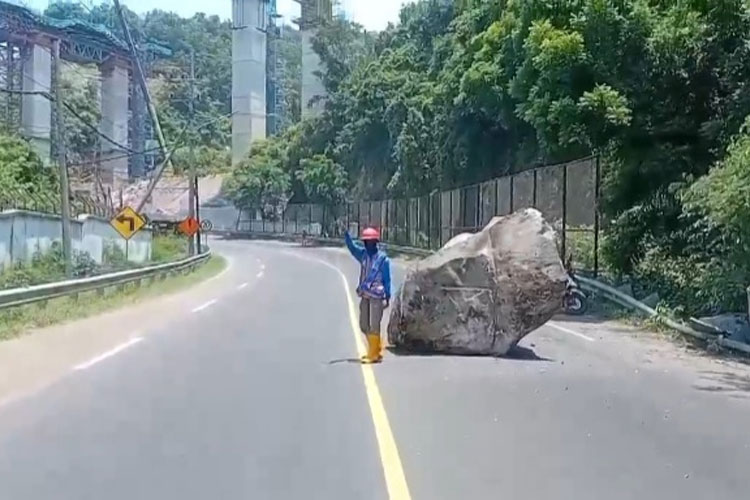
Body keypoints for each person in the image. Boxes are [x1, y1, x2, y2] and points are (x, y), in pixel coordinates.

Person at [345, 227, 391, 364]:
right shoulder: (363, 255)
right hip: (365, 295)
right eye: (366, 241)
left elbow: (387, 279)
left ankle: (373, 355)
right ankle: (375, 348)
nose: (368, 244)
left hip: (377, 296)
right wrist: (347, 236)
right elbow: (352, 248)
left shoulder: (383, 260)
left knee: (374, 325)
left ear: (375, 242)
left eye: (371, 241)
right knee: (363, 325)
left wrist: (388, 296)